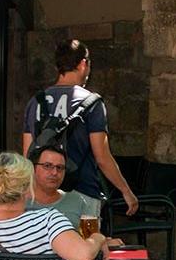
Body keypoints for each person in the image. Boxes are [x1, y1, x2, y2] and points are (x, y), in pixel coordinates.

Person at [21, 39, 137, 215]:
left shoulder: (35, 102)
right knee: (85, 242)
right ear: (83, 64)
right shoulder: (92, 103)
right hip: (83, 192)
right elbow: (102, 156)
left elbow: (27, 154)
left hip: (40, 194)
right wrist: (126, 191)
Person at [27, 145, 101, 225]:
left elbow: (93, 234)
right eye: (47, 166)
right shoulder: (18, 201)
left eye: (59, 167)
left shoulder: (76, 201)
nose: (54, 173)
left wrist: (100, 238)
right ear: (33, 168)